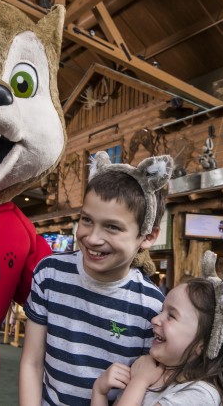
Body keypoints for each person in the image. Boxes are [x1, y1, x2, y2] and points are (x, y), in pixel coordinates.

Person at [19, 152, 173, 405]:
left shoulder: (152, 307)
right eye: (87, 220)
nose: (92, 238)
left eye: (112, 227)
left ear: (147, 236)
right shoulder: (49, 273)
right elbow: (32, 362)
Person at [91, 250, 223, 406]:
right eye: (162, 310)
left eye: (172, 316)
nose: (155, 319)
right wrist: (99, 392)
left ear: (203, 343)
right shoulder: (151, 371)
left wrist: (139, 381)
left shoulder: (199, 396)